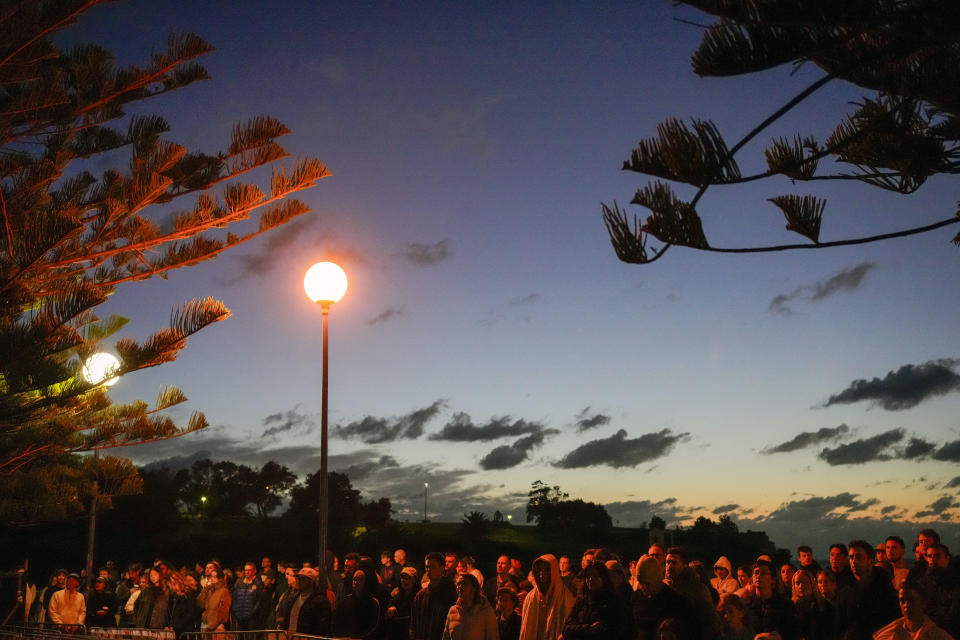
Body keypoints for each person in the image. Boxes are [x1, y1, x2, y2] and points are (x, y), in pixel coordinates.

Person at [836, 539, 899, 640]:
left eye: (859, 557)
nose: (854, 561)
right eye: (851, 557)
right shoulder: (844, 593)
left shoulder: (885, 590)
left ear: (870, 560)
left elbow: (895, 621)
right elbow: (840, 628)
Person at [631, 554, 696, 640]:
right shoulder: (637, 597)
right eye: (641, 583)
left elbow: (692, 631)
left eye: (648, 583)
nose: (644, 587)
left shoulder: (676, 602)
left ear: (657, 580)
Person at [562, 561, 631, 640]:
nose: (591, 579)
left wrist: (579, 630)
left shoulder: (613, 602)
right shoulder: (582, 601)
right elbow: (566, 629)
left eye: (595, 575)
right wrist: (588, 629)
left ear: (603, 577)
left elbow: (610, 631)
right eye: (588, 576)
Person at [519, 554, 575, 640]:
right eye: (539, 570)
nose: (542, 573)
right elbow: (527, 629)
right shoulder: (531, 598)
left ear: (553, 571)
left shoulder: (565, 597)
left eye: (546, 570)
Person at [872, 583, 956, 640]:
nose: (906, 605)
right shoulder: (890, 634)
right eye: (902, 600)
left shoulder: (938, 636)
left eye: (911, 600)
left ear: (923, 603)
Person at [745, 560, 800, 640]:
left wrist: (779, 637)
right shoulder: (747, 605)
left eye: (763, 573)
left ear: (772, 579)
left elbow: (794, 632)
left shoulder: (785, 605)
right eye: (756, 573)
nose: (758, 576)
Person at [412, 552, 457, 640]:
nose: (428, 570)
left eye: (433, 567)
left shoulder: (451, 594)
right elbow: (414, 623)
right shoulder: (420, 595)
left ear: (442, 568)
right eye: (427, 567)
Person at [441, 573, 497, 640]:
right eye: (458, 584)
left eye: (464, 583)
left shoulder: (485, 612)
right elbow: (446, 637)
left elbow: (493, 637)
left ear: (474, 588)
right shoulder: (453, 611)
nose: (460, 586)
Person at [333, 568, 382, 639]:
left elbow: (374, 627)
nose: (355, 582)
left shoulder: (372, 603)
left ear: (365, 582)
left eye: (359, 580)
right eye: (354, 579)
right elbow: (337, 621)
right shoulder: (346, 601)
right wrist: (341, 636)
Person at [286, 567, 331, 636]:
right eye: (298, 578)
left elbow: (323, 626)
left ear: (311, 581)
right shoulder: (294, 597)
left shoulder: (320, 600)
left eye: (303, 579)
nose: (299, 581)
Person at [792, 570, 833, 640]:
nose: (801, 586)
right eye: (797, 583)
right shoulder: (791, 607)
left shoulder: (824, 605)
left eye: (805, 583)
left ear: (812, 584)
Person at [385, 567, 419, 640]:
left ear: (414, 580)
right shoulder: (396, 594)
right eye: (402, 578)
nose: (403, 580)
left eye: (407, 578)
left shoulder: (419, 597)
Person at [231, 561, 264, 630]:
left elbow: (259, 600)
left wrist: (252, 612)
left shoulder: (258, 583)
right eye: (246, 570)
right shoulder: (239, 582)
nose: (247, 572)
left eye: (249, 570)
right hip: (239, 616)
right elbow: (234, 598)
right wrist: (236, 610)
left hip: (252, 618)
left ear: (254, 571)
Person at [166, 571, 199, 638]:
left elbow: (191, 613)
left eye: (173, 584)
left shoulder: (188, 594)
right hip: (177, 630)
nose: (171, 587)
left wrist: (177, 625)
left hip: (186, 631)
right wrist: (171, 626)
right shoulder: (174, 595)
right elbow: (173, 613)